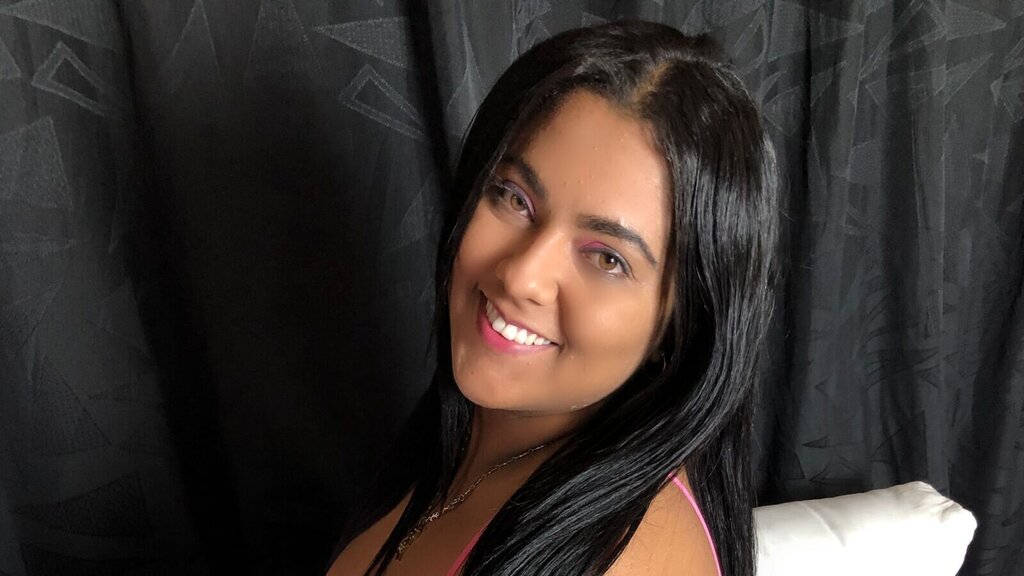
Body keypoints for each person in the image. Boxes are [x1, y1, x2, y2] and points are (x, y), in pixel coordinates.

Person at [325, 19, 778, 576]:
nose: (522, 277)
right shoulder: (468, 437)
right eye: (513, 198)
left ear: (677, 326)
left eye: (607, 258)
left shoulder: (625, 560)